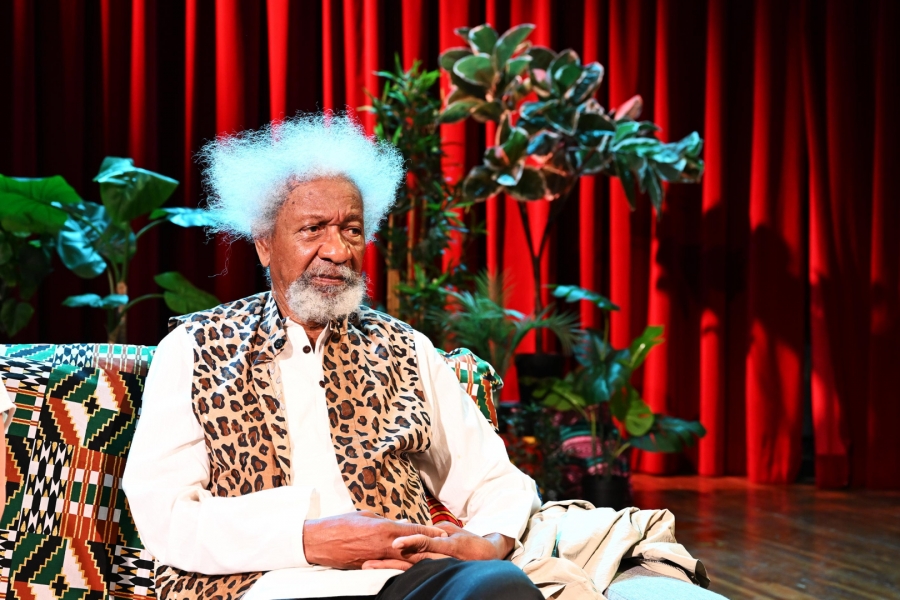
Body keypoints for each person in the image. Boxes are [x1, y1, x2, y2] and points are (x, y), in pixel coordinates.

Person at [122, 113, 545, 600]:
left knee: (500, 586)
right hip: (260, 584)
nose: (338, 251)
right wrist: (306, 540)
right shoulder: (195, 348)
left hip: (400, 580)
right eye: (313, 229)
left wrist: (488, 543)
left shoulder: (406, 349)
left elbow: (496, 481)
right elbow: (165, 512)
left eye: (351, 230)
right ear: (264, 243)